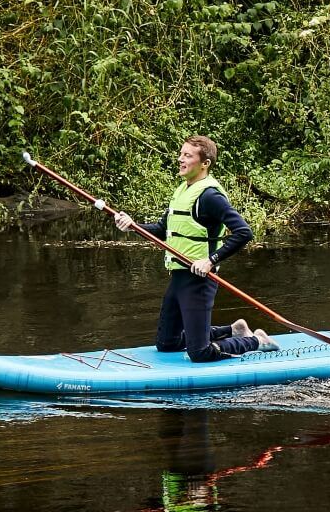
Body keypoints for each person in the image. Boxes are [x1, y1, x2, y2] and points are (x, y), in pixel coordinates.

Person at [113, 135, 279, 361]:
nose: (180, 159)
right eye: (181, 154)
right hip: (179, 276)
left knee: (200, 353)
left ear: (205, 163)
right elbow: (164, 228)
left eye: (187, 155)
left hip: (199, 280)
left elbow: (244, 232)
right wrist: (133, 226)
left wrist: (211, 260)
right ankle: (233, 330)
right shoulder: (182, 190)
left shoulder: (210, 196)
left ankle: (257, 340)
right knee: (167, 343)